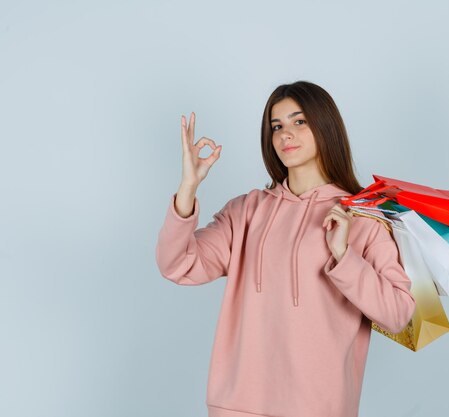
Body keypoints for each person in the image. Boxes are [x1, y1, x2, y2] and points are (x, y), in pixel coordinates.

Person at [155, 80, 416, 417]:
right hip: (236, 406)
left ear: (325, 127)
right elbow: (177, 264)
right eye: (276, 126)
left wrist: (344, 257)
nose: (284, 135)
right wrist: (187, 189)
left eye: (299, 121)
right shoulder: (246, 210)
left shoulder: (361, 219)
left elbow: (398, 314)